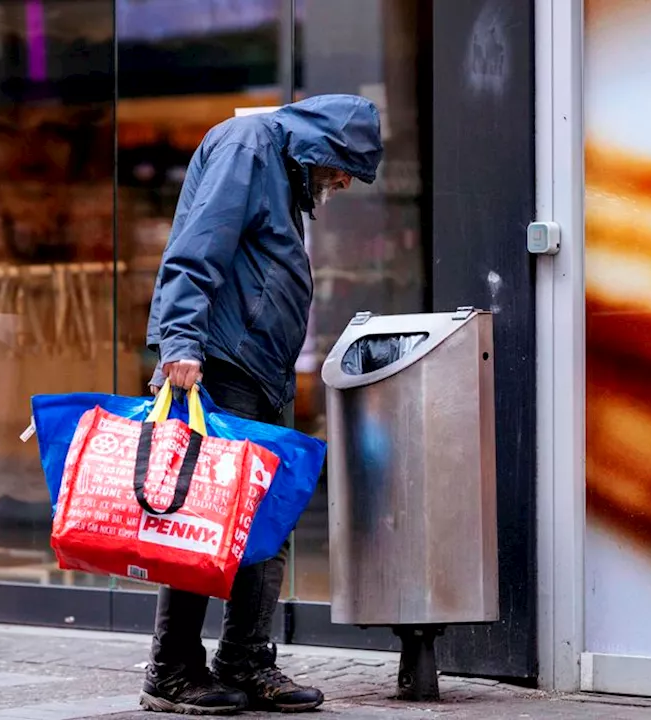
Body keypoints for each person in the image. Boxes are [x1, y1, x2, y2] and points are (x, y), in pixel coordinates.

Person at [141, 94, 384, 715]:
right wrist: (181, 341)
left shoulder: (281, 167)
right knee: (205, 516)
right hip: (220, 362)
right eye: (344, 168)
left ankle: (245, 659)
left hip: (261, 369)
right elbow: (197, 248)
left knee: (264, 520)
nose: (344, 182)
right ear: (323, 148)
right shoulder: (250, 147)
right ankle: (171, 670)